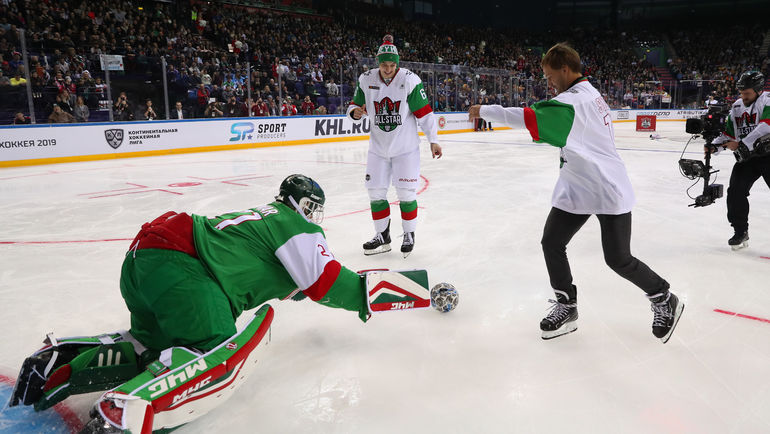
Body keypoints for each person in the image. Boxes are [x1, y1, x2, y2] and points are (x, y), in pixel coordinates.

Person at [7, 175, 387, 432]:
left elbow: (291, 283)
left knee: (151, 345)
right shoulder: (296, 224)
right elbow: (327, 282)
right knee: (209, 350)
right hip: (186, 272)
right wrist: (377, 292)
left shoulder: (260, 220)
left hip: (145, 261)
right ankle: (128, 410)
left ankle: (61, 364)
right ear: (303, 205)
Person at [468, 43, 682, 343]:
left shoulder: (574, 102)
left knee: (618, 259)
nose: (549, 81)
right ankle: (567, 305)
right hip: (578, 185)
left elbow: (529, 117)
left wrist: (485, 110)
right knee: (552, 242)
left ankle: (663, 297)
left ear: (565, 69)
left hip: (606, 186)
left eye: (550, 75)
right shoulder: (585, 93)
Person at [347, 34, 443, 257]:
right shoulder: (366, 79)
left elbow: (425, 114)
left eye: (392, 65)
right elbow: (353, 105)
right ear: (378, 63)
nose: (388, 69)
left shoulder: (409, 80)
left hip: (405, 150)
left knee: (406, 194)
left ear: (397, 64)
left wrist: (434, 140)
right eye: (384, 64)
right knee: (375, 193)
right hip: (378, 150)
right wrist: (355, 112)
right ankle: (382, 235)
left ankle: (409, 234)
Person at [708, 70, 770, 250]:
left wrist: (741, 143)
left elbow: (767, 125)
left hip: (768, 155)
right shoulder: (736, 107)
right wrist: (715, 146)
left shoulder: (767, 100)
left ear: (758, 90)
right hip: (748, 158)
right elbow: (728, 133)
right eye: (741, 93)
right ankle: (740, 231)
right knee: (735, 192)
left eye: (747, 93)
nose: (743, 96)